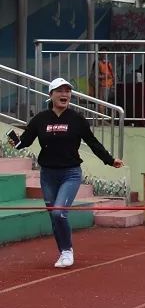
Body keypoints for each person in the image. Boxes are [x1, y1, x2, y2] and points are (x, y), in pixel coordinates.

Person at [7, 78, 124, 268]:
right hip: (48, 175)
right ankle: (63, 251)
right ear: (50, 95)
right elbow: (24, 142)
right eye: (60, 91)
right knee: (54, 215)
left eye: (67, 91)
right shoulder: (40, 119)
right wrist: (13, 140)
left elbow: (93, 143)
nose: (65, 94)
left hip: (70, 173)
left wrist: (110, 160)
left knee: (59, 212)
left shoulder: (77, 119)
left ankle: (68, 251)